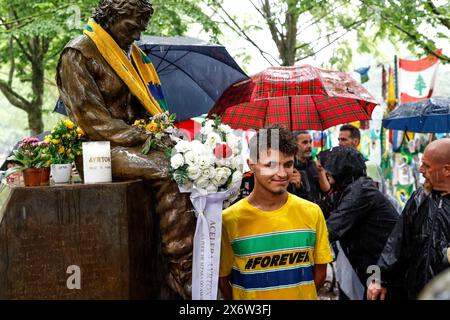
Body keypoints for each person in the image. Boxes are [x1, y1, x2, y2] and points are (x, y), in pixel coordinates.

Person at [56, 0, 194, 299]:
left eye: (141, 29)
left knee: (188, 162)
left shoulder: (130, 56)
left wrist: (160, 132)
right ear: (111, 17)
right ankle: (183, 274)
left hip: (133, 142)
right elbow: (93, 120)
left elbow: (142, 110)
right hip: (98, 150)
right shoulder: (78, 53)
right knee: (169, 170)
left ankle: (180, 266)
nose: (137, 36)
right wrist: (143, 137)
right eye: (132, 27)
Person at [219, 125, 333, 300]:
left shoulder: (312, 212)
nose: (281, 174)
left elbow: (320, 271)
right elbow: (223, 279)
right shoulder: (229, 220)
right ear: (252, 165)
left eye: (288, 165)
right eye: (271, 165)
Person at [367, 138, 450, 300]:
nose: (420, 169)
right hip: (415, 292)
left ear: (447, 170)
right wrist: (379, 278)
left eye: (426, 166)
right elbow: (398, 241)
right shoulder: (421, 197)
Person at [321, 147, 399, 299]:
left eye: (330, 169)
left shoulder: (361, 191)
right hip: (374, 265)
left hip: (384, 268)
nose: (327, 173)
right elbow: (318, 209)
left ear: (342, 170)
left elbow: (330, 230)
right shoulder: (347, 190)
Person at [290, 131, 331, 206]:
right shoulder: (291, 168)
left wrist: (321, 171)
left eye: (310, 142)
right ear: (294, 145)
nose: (309, 146)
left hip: (317, 209)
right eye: (305, 142)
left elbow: (326, 190)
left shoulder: (313, 164)